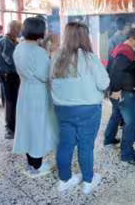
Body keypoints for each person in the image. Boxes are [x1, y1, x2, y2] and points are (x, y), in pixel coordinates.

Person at [50, 22, 109, 195]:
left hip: (63, 109)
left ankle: (64, 180)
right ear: (84, 37)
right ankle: (88, 181)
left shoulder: (56, 57)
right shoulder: (90, 58)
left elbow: (50, 82)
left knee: (65, 144)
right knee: (86, 145)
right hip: (88, 110)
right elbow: (104, 83)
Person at [11, 16, 57, 177]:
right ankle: (37, 166)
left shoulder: (19, 47)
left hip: (25, 90)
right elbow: (45, 75)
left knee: (28, 126)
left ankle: (31, 162)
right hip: (38, 93)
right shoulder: (39, 52)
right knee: (38, 127)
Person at [105, 27, 135, 165]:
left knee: (116, 114)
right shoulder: (124, 52)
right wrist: (116, 90)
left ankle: (109, 139)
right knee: (131, 122)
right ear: (133, 38)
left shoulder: (119, 48)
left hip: (118, 91)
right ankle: (127, 155)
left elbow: (111, 69)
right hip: (124, 92)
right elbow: (117, 71)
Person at [0, 20, 21, 139]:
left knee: (12, 102)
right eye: (19, 29)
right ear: (14, 29)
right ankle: (10, 129)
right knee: (11, 103)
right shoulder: (6, 42)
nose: (21, 31)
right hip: (9, 75)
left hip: (10, 75)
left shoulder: (12, 41)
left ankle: (13, 127)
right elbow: (11, 59)